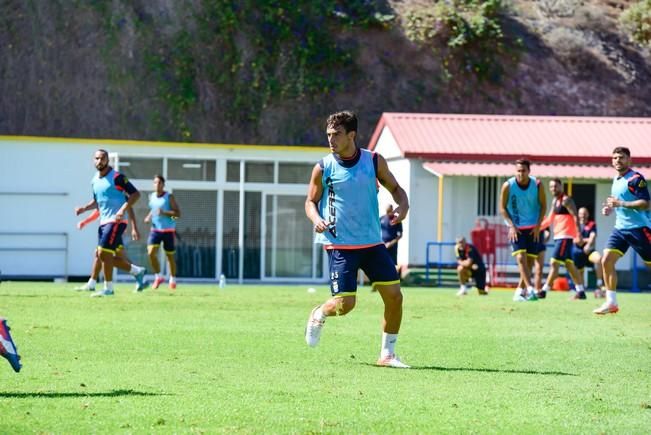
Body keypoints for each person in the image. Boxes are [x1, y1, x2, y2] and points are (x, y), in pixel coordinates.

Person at [304, 111, 410, 368]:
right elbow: (310, 202)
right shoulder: (323, 167)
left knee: (395, 296)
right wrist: (316, 219)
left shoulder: (374, 161)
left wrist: (403, 206)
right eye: (328, 135)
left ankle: (387, 355)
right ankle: (319, 312)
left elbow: (396, 190)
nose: (331, 140)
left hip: (372, 243)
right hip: (340, 245)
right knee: (345, 305)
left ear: (351, 135)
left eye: (336, 134)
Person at [74, 149, 147, 297]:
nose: (99, 161)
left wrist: (122, 210)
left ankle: (109, 288)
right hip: (104, 223)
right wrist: (84, 209)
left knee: (103, 253)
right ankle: (136, 271)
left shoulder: (118, 177)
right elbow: (97, 202)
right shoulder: (94, 180)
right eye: (96, 158)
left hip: (116, 221)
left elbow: (135, 194)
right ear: (93, 160)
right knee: (101, 254)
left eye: (102, 158)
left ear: (107, 160)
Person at [596, 147, 651, 315]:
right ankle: (611, 302)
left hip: (639, 229)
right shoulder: (616, 179)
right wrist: (609, 209)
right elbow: (618, 202)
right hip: (620, 229)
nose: (617, 160)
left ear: (629, 160)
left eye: (621, 157)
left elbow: (645, 203)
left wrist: (620, 204)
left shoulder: (635, 179)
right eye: (614, 158)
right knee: (606, 260)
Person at [499, 159, 547, 302]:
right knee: (521, 258)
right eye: (518, 171)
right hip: (516, 228)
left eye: (523, 171)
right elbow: (502, 208)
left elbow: (544, 206)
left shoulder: (537, 184)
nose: (521, 174)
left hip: (533, 228)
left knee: (530, 261)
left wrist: (539, 226)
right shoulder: (508, 185)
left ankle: (519, 292)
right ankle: (530, 289)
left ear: (529, 171)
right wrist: (511, 225)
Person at [537, 178, 587, 300]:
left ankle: (544, 291)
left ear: (561, 187)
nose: (553, 189)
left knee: (554, 262)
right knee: (570, 265)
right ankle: (581, 292)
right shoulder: (555, 201)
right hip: (558, 236)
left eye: (555, 186)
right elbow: (549, 220)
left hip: (565, 236)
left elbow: (575, 217)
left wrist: (579, 234)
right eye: (551, 187)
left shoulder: (566, 200)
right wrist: (536, 228)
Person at [74, 208, 141, 291]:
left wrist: (134, 228)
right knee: (100, 254)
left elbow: (130, 206)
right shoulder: (101, 198)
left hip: (113, 228)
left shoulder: (120, 196)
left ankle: (138, 272)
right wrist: (85, 221)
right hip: (107, 228)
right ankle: (92, 283)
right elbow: (99, 210)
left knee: (107, 255)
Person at [144, 174, 181, 290]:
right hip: (155, 230)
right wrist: (148, 217)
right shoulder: (151, 197)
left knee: (169, 256)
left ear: (163, 185)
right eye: (155, 182)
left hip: (168, 231)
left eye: (159, 183)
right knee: (150, 253)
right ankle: (158, 276)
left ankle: (172, 279)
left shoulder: (169, 197)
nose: (157, 185)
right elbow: (153, 210)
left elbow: (177, 215)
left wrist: (165, 213)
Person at [572, 207, 605, 298]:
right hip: (578, 253)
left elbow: (593, 237)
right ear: (578, 215)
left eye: (584, 213)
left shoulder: (592, 224)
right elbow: (573, 239)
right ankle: (580, 292)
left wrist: (587, 244)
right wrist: (579, 240)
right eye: (581, 213)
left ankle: (599, 285)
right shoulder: (575, 225)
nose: (583, 215)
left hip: (589, 251)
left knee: (599, 259)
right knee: (579, 273)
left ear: (588, 214)